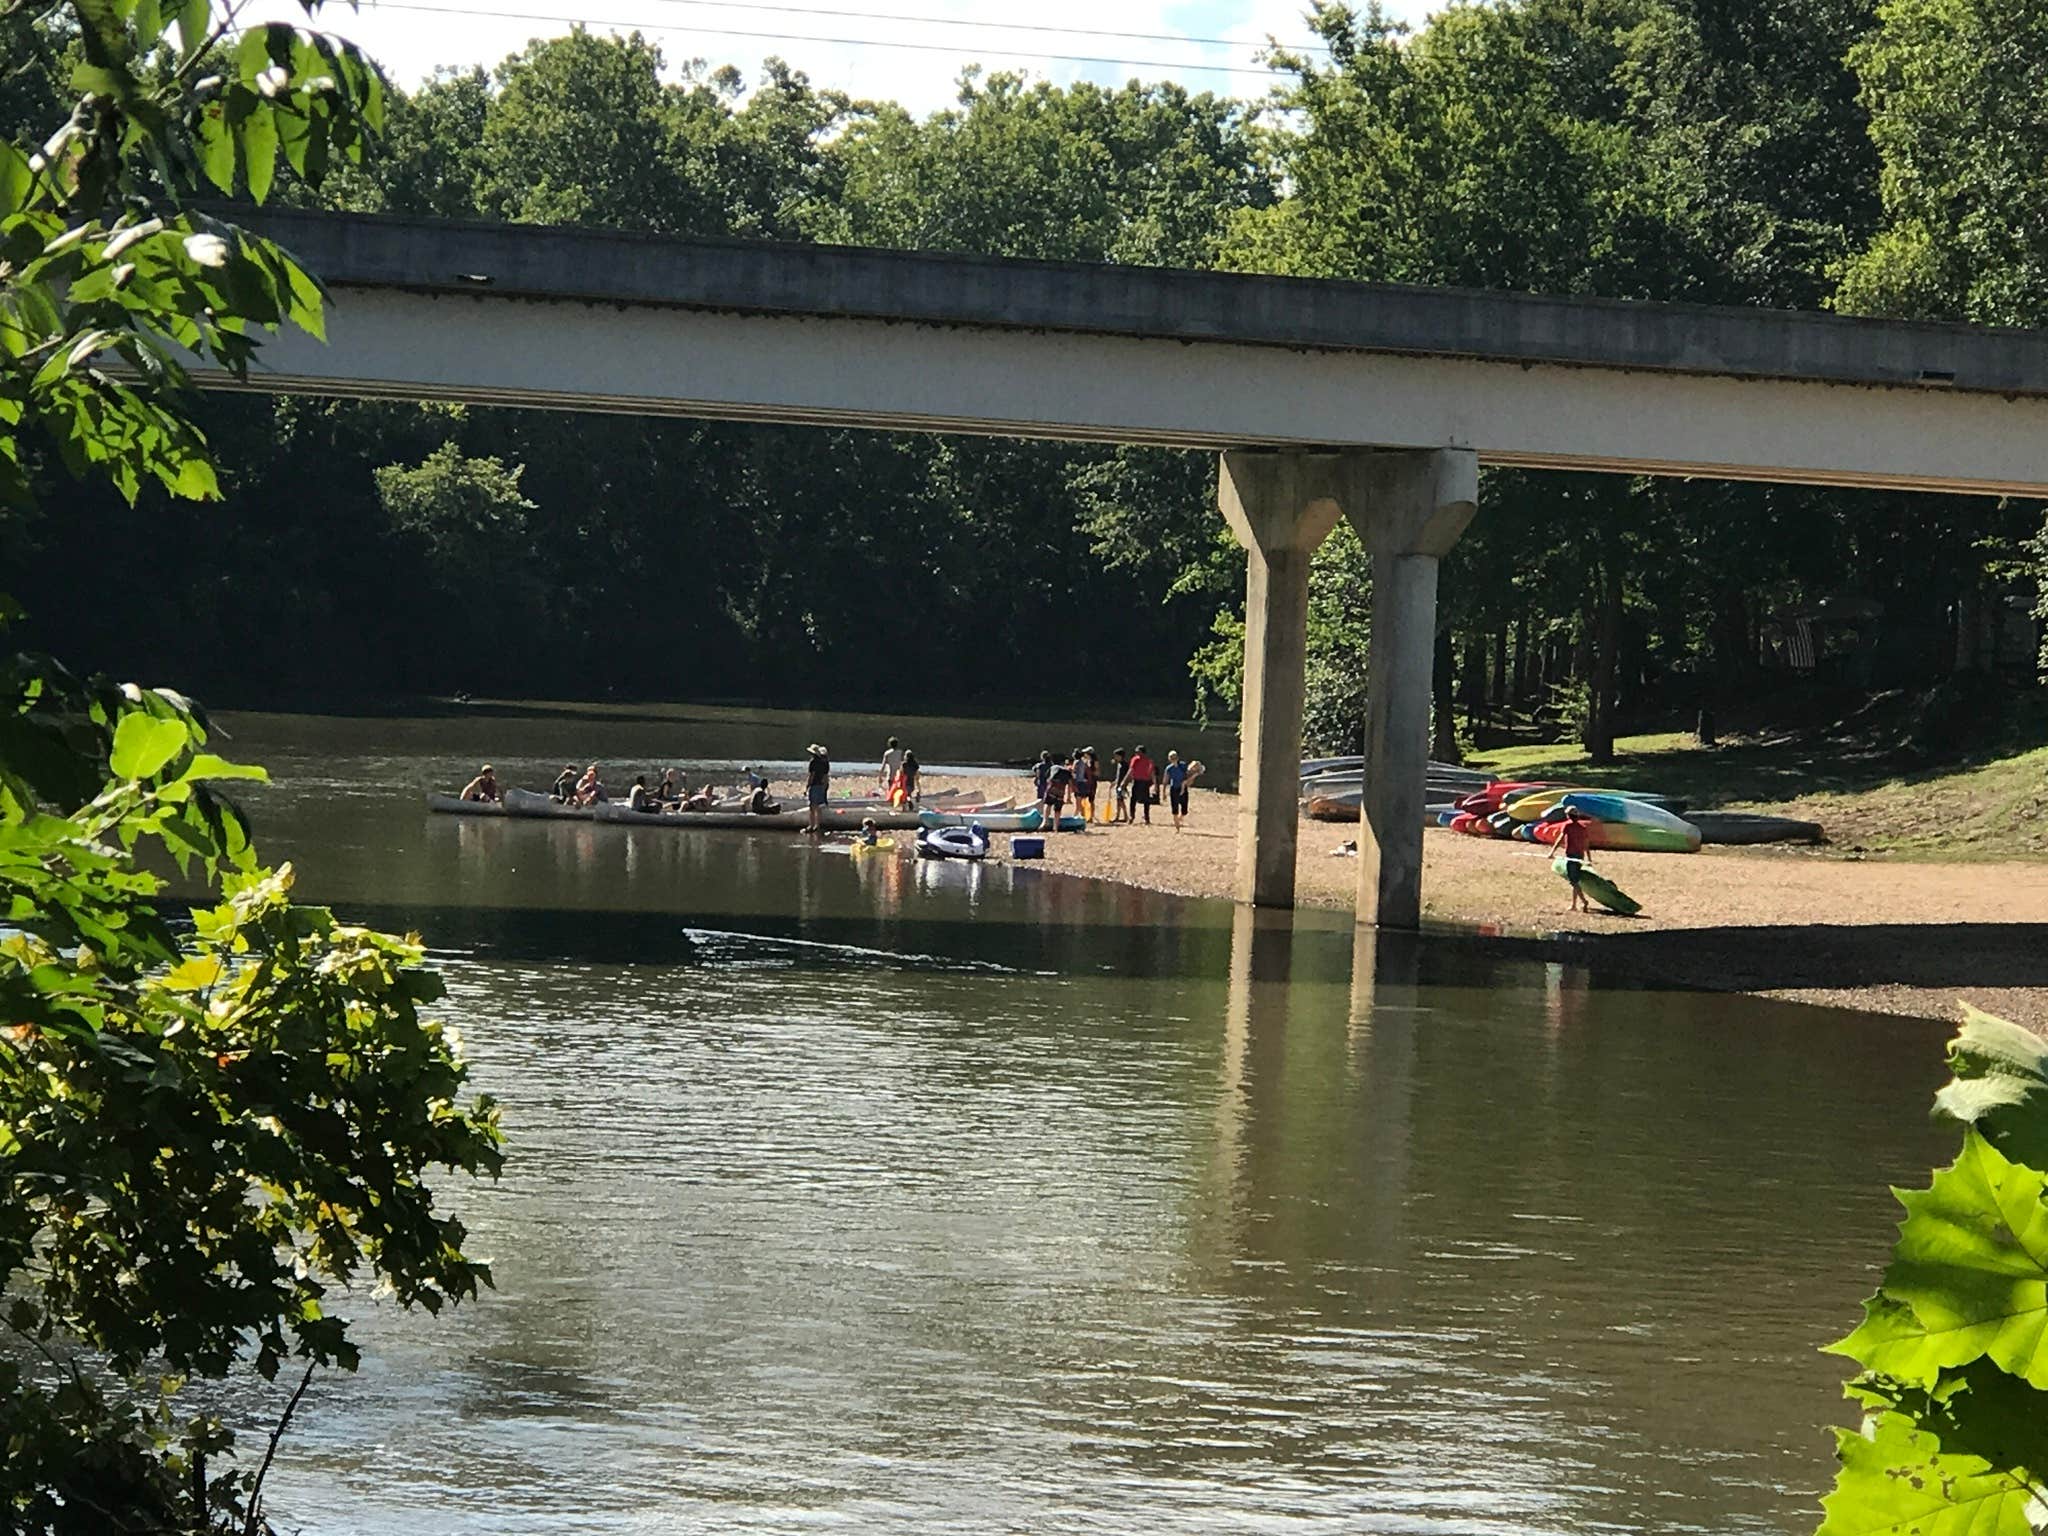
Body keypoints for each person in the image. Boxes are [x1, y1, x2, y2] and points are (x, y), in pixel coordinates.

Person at [1559, 806, 1594, 913]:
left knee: (1573, 881)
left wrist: (1551, 852)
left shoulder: (1567, 825)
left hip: (1571, 856)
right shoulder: (1582, 827)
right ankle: (1574, 904)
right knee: (1576, 880)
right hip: (1580, 856)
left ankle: (1584, 902)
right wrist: (1589, 858)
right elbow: (1586, 844)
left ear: (1568, 816)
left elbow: (1560, 838)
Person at [1163, 750, 1195, 831]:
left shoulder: (1183, 766)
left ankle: (1179, 819)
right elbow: (1165, 780)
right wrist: (1163, 792)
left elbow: (1188, 774)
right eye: (1171, 757)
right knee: (1175, 808)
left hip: (1183, 788)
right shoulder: (1169, 768)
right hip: (1174, 789)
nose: (1173, 759)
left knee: (1184, 809)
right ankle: (1177, 827)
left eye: (1174, 757)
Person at [1126, 743, 1157, 825]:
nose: (1136, 753)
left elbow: (1152, 773)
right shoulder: (1136, 759)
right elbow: (1131, 771)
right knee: (1135, 799)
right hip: (1138, 781)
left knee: (1144, 800)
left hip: (1144, 782)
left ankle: (1146, 817)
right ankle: (1132, 816)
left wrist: (1155, 784)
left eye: (1138, 752)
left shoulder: (1147, 761)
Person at [805, 743, 831, 836]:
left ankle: (811, 825)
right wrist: (825, 786)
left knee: (812, 806)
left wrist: (807, 785)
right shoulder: (824, 762)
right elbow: (825, 776)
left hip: (815, 785)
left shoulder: (813, 762)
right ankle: (817, 825)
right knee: (819, 807)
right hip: (821, 785)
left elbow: (811, 775)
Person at [1044, 752, 1074, 830]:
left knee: (1048, 804)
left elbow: (1047, 779)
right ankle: (1055, 827)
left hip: (1052, 788)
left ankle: (1044, 822)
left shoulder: (1053, 767)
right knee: (1057, 809)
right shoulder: (1067, 771)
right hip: (1061, 791)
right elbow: (1070, 785)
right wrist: (1069, 797)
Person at [1072, 747, 1097, 823]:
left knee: (1079, 802)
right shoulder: (1084, 763)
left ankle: (1077, 817)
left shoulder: (1077, 762)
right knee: (1083, 801)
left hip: (1079, 783)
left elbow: (1073, 772)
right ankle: (1083, 816)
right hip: (1084, 783)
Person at [1109, 748, 1131, 823]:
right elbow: (1119, 776)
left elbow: (1127, 776)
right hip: (1118, 785)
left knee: (1121, 801)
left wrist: (1124, 785)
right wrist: (1115, 782)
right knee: (1119, 801)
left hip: (1122, 786)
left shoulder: (1125, 765)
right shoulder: (1119, 764)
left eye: (1116, 756)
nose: (1115, 758)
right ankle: (1119, 816)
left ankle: (1125, 816)